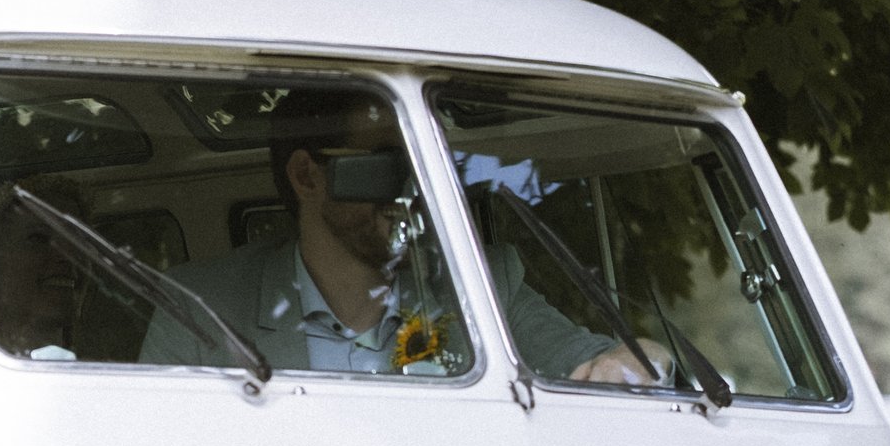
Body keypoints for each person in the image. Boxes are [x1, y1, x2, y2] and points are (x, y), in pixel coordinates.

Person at [144, 95, 648, 384]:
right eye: (390, 164)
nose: (415, 188)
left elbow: (612, 363)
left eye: (427, 165)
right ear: (307, 176)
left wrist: (628, 365)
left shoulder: (479, 285)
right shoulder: (199, 309)